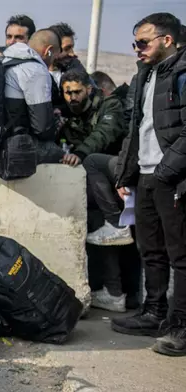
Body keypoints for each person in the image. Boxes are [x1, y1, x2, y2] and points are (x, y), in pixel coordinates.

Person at [112, 13, 186, 357]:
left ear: (166, 40)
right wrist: (126, 175)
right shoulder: (145, 74)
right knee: (151, 250)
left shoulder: (183, 72)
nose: (137, 49)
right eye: (135, 43)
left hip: (173, 177)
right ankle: (154, 313)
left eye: (143, 42)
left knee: (180, 255)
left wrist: (165, 172)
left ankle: (180, 326)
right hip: (146, 175)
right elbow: (135, 129)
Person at [2, 29, 60, 160]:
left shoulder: (5, 61)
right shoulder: (35, 70)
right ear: (48, 50)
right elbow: (42, 128)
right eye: (55, 56)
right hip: (14, 144)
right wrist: (56, 122)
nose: (54, 61)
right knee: (63, 156)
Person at [59, 69, 125, 165]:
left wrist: (81, 153)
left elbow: (104, 132)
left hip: (108, 161)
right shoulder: (63, 111)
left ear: (88, 89)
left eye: (77, 92)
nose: (73, 97)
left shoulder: (110, 105)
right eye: (68, 93)